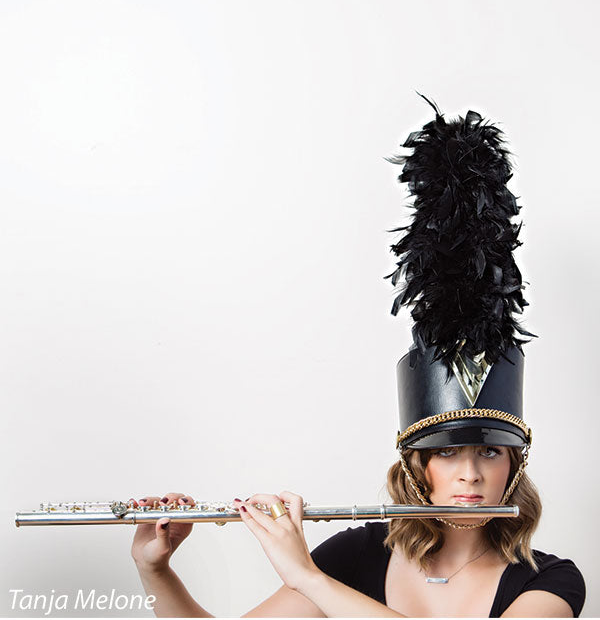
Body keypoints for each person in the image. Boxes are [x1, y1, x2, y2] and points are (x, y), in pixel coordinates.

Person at [131, 98, 586, 616]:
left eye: (489, 452)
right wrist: (155, 569)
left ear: (514, 464)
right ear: (416, 464)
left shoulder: (551, 580)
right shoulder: (358, 554)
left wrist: (307, 577)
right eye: (446, 453)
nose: (470, 475)